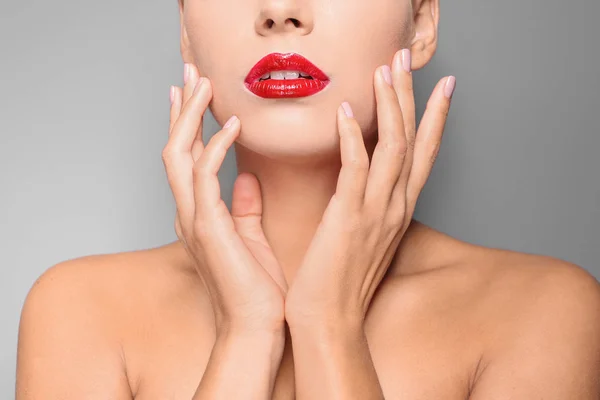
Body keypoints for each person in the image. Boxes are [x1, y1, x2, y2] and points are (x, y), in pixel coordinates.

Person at [16, 0, 600, 398]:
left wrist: (328, 325)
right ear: (186, 32)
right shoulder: (79, 311)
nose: (280, 12)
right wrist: (245, 334)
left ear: (420, 21)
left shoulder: (541, 312)